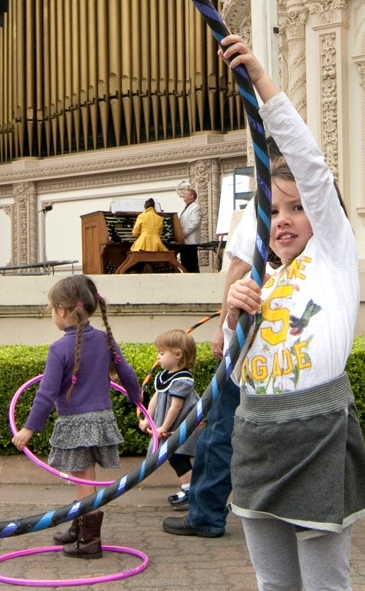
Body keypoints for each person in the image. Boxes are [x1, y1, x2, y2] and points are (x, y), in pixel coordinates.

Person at [220, 34, 365, 591]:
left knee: (325, 584)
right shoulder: (262, 277)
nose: (284, 219)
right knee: (273, 582)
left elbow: (310, 164)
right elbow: (234, 373)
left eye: (298, 207)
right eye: (273, 209)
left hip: (317, 434)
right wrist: (236, 317)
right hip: (257, 432)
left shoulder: (333, 257)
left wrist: (260, 81)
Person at [162, 139, 285, 539]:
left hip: (251, 341)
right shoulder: (298, 205)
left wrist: (223, 329)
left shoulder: (264, 205)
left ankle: (206, 514)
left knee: (219, 429)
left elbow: (239, 266)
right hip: (281, 338)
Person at [11, 274, 141, 559]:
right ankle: (78, 528)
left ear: (61, 310)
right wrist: (136, 398)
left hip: (75, 423)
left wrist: (29, 429)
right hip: (102, 420)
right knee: (83, 476)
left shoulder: (58, 349)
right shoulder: (105, 339)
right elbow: (126, 372)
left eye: (51, 310)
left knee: (83, 479)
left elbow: (46, 394)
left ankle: (89, 541)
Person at [139, 329, 201, 506]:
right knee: (174, 456)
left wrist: (164, 428)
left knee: (177, 455)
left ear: (177, 355)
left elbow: (176, 407)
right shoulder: (163, 376)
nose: (158, 357)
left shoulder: (183, 379)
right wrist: (147, 420)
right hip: (169, 424)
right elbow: (155, 400)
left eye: (161, 353)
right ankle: (190, 487)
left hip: (181, 424)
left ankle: (190, 490)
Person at [178, 188, 202, 272]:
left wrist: (183, 233)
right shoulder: (187, 207)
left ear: (192, 196)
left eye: (186, 194)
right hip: (185, 241)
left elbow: (195, 223)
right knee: (185, 263)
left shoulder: (195, 207)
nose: (183, 195)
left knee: (191, 264)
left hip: (190, 240)